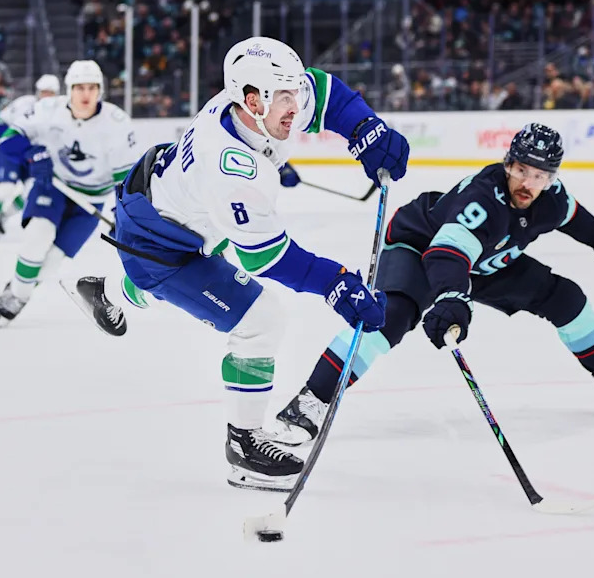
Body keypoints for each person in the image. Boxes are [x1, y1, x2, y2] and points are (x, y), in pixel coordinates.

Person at [63, 36, 410, 492]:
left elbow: (323, 94)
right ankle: (243, 446)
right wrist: (337, 283)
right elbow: (266, 255)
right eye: (285, 96)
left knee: (192, 275)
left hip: (169, 208)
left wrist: (367, 127)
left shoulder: (255, 102)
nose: (296, 104)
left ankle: (105, 292)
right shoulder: (231, 170)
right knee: (261, 322)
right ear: (252, 99)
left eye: (292, 93)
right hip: (160, 245)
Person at [272, 122, 594, 446]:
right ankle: (310, 401)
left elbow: (575, 218)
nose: (529, 182)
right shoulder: (483, 199)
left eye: (540, 175)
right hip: (420, 244)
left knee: (566, 298)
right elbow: (446, 254)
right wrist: (452, 298)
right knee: (389, 318)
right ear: (509, 164)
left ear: (552, 178)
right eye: (522, 170)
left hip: (482, 263)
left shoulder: (551, 198)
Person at [0, 61, 139, 323]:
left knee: (53, 261)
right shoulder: (48, 110)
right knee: (38, 235)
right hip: (54, 187)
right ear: (68, 90)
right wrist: (32, 153)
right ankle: (17, 295)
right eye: (79, 87)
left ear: (100, 90)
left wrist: (124, 215)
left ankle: (20, 292)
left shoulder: (117, 124)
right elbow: (8, 140)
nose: (85, 94)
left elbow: (126, 180)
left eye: (92, 88)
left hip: (91, 200)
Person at [0, 74, 61, 236]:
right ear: (38, 92)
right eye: (44, 92)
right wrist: (14, 142)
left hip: (33, 158)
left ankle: (3, 217)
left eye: (50, 92)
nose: (46, 96)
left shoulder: (60, 112)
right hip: (12, 154)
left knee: (31, 192)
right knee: (5, 188)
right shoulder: (24, 104)